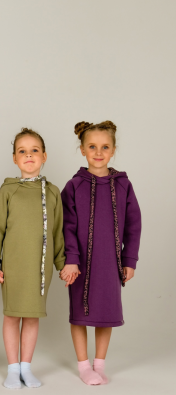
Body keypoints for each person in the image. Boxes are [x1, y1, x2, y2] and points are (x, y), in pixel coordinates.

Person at [60, 121, 142, 385]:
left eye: (105, 147)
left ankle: (99, 364)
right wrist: (71, 260)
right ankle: (84, 366)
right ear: (82, 150)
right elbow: (66, 227)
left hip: (110, 262)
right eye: (92, 146)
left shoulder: (124, 185)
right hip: (80, 263)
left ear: (113, 150)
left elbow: (133, 224)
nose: (98, 152)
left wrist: (129, 260)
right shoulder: (73, 186)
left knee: (106, 312)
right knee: (80, 313)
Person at [0, 128, 66, 389]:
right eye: (22, 151)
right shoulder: (8, 190)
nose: (28, 155)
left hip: (39, 269)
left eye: (34, 150)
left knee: (32, 316)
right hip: (13, 267)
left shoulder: (52, 192)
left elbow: (58, 232)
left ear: (44, 156)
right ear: (14, 158)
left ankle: (26, 368)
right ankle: (12, 369)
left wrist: (63, 265)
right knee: (12, 316)